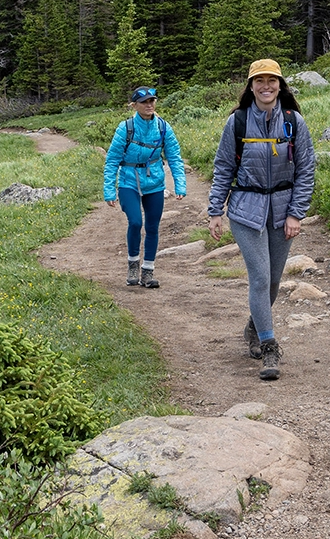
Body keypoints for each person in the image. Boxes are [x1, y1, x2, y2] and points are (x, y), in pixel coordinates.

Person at [207, 59, 316, 380]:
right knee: (259, 277)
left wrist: (296, 213)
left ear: (280, 85)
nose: (266, 86)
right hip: (245, 210)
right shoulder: (238, 122)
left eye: (272, 80)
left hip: (282, 211)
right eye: (259, 81)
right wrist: (215, 211)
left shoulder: (293, 121)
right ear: (251, 86)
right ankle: (269, 347)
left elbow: (306, 170)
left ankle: (255, 327)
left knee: (273, 281)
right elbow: (223, 167)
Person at [103, 86, 187, 288]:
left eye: (152, 101)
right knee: (135, 222)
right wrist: (109, 190)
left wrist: (180, 185)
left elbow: (174, 157)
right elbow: (112, 160)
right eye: (144, 102)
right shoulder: (125, 128)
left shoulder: (163, 127)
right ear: (134, 105)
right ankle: (133, 264)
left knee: (152, 227)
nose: (149, 105)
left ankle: (148, 271)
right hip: (129, 181)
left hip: (155, 182)